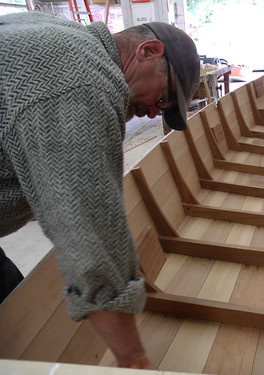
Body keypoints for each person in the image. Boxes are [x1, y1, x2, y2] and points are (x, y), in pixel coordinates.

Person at [0, 11, 200, 369]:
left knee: (11, 302)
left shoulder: (60, 35)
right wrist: (132, 357)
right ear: (149, 51)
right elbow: (86, 228)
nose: (155, 113)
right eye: (166, 98)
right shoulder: (82, 82)